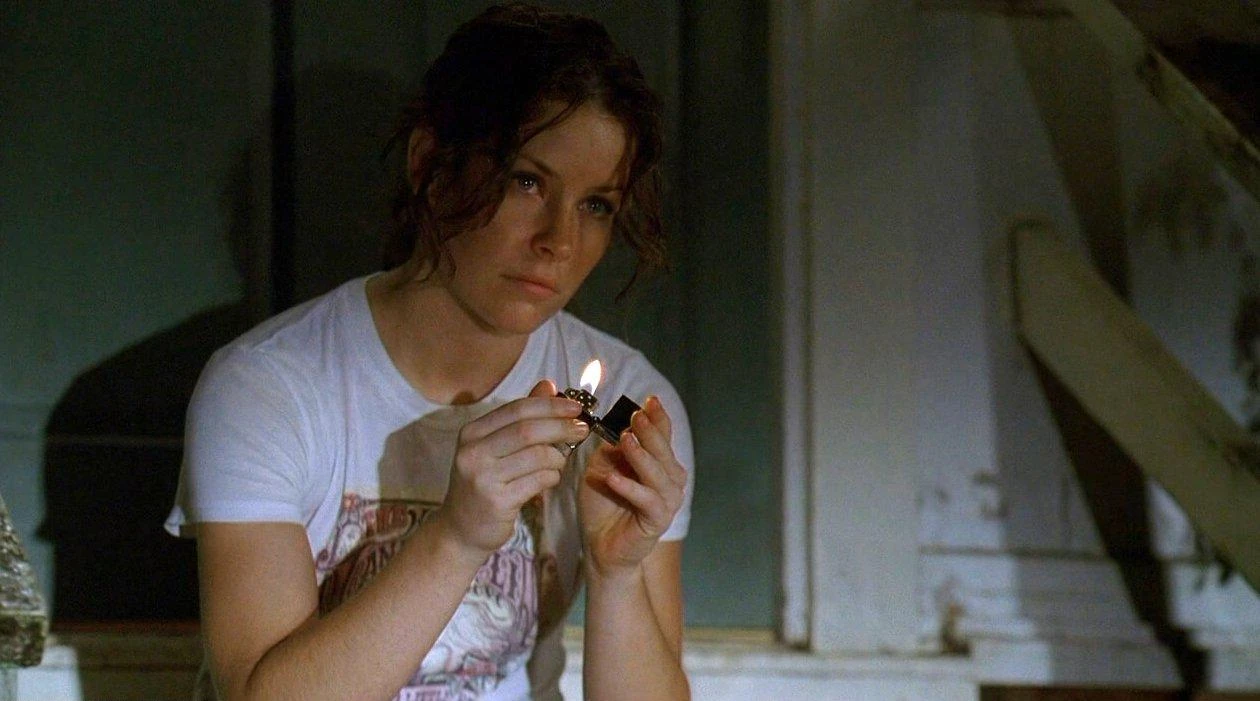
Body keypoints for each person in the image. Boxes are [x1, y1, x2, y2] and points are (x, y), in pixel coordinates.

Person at [164, 4, 694, 700]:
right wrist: (458, 538)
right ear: (429, 166)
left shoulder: (629, 397)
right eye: (528, 181)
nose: (559, 241)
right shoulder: (269, 387)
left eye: (596, 205)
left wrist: (616, 574)